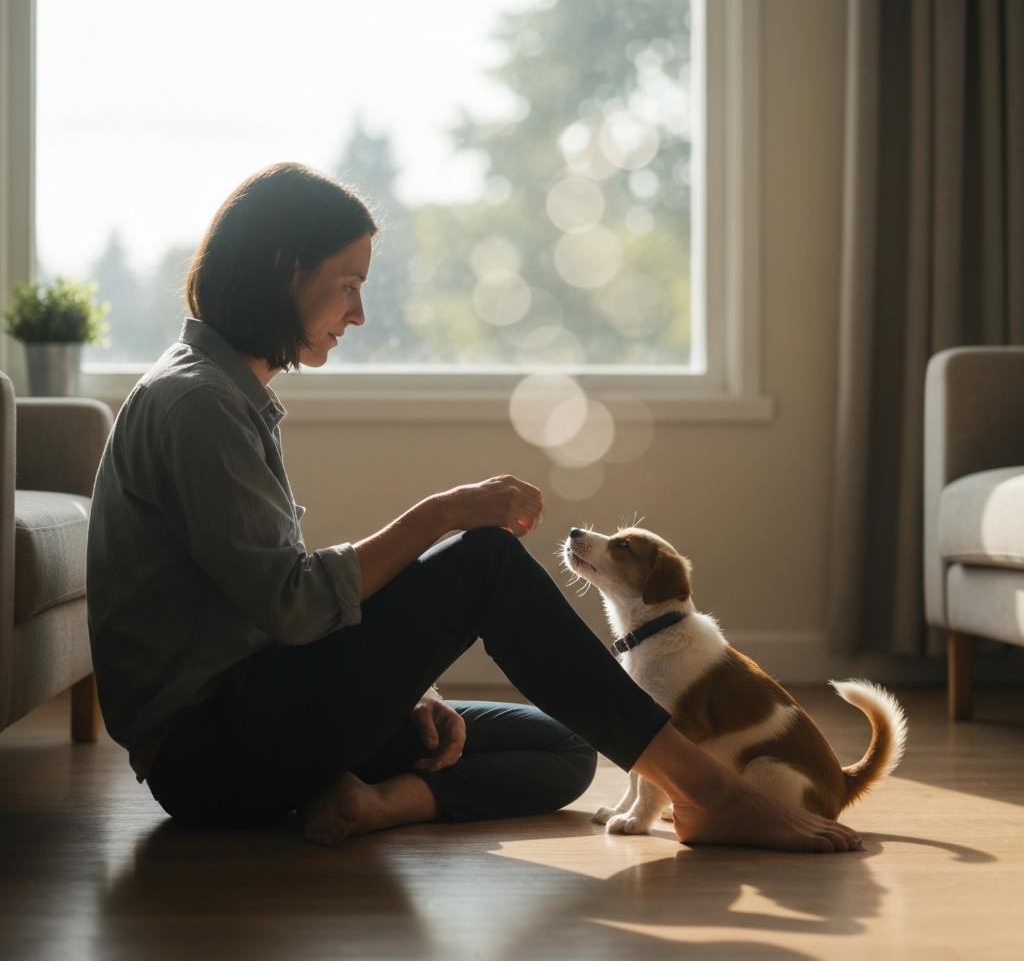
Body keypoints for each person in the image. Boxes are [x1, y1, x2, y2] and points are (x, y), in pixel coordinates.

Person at [86, 163, 862, 852]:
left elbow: (264, 601)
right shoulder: (199, 406)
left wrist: (409, 688)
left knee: (563, 748)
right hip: (214, 756)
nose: (358, 314)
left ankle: (373, 802)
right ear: (288, 269)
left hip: (260, 718)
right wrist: (442, 514)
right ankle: (713, 793)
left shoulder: (223, 395)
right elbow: (291, 606)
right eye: (350, 282)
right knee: (485, 561)